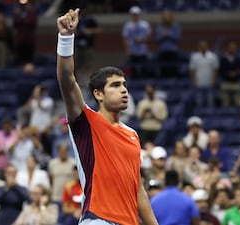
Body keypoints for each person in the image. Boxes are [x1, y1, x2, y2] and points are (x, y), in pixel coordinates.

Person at [56, 8, 158, 225]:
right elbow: (66, 78)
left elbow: (138, 189)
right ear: (98, 94)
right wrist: (66, 37)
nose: (123, 90)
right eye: (115, 85)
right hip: (98, 220)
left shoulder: (133, 135)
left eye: (124, 85)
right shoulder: (86, 121)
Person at [122, 6, 152, 78]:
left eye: (136, 14)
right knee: (133, 71)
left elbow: (149, 38)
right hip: (132, 52)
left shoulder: (145, 25)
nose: (135, 16)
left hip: (143, 52)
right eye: (134, 14)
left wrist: (141, 40)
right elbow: (125, 39)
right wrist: (127, 49)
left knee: (145, 70)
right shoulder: (128, 26)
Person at [189, 40, 219, 108]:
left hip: (210, 83)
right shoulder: (194, 57)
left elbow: (216, 69)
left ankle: (211, 116)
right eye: (201, 46)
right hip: (198, 83)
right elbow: (192, 70)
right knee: (199, 103)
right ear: (199, 47)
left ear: (207, 46)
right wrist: (194, 80)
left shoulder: (213, 56)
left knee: (210, 102)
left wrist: (213, 80)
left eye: (204, 46)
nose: (203, 47)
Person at [155, 9, 181, 77]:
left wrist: (169, 34)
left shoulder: (175, 26)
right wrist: (163, 35)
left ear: (171, 17)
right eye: (165, 16)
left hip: (173, 52)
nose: (166, 17)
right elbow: (157, 39)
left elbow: (178, 38)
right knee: (163, 71)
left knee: (173, 70)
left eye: (168, 16)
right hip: (162, 52)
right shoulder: (159, 26)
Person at [219, 41, 240, 107]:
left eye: (234, 48)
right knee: (225, 103)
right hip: (226, 83)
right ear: (227, 48)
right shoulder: (223, 59)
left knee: (238, 103)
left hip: (236, 83)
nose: (232, 49)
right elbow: (221, 71)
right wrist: (228, 74)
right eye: (231, 48)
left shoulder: (239, 59)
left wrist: (236, 73)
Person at [13, 2, 38, 66]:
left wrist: (22, 19)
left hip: (29, 41)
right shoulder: (20, 15)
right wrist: (17, 15)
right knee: (19, 60)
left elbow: (31, 23)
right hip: (20, 41)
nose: (28, 7)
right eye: (27, 6)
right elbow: (15, 24)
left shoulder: (33, 15)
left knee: (29, 60)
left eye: (29, 6)